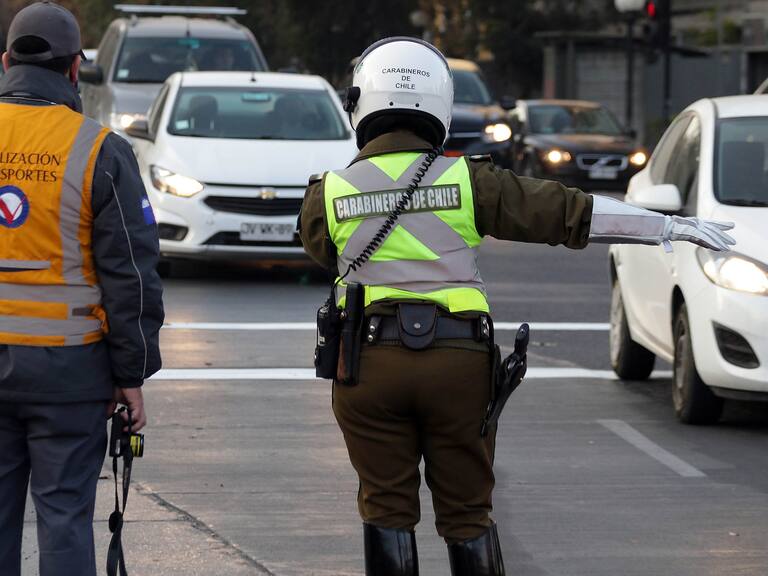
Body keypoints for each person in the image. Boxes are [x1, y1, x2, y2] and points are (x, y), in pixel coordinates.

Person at [299, 37, 734, 576]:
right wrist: (665, 226)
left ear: (359, 103)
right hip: (459, 363)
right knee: (466, 512)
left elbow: (320, 251)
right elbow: (566, 213)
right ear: (439, 103)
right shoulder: (469, 181)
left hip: (368, 365)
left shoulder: (330, 192)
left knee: (386, 508)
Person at [0, 3, 164, 576]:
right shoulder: (100, 150)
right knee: (65, 517)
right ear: (75, 70)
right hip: (68, 374)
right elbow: (131, 275)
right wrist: (132, 375)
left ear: (5, 62)